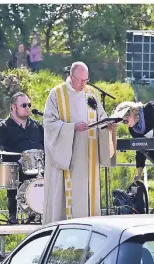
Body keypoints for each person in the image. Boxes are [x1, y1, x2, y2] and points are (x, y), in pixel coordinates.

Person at [43, 61, 117, 224]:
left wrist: (109, 126)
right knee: (70, 202)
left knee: (89, 200)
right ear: (71, 76)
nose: (84, 84)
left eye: (86, 80)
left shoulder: (91, 93)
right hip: (69, 156)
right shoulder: (57, 94)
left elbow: (101, 118)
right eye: (80, 80)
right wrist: (72, 127)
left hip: (90, 158)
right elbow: (49, 124)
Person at [0, 92, 44, 224]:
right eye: (24, 105)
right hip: (16, 167)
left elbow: (47, 144)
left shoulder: (36, 126)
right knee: (11, 171)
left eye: (29, 105)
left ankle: (38, 213)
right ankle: (13, 215)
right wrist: (18, 159)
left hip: (38, 166)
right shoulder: (3, 128)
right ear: (13, 107)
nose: (28, 108)